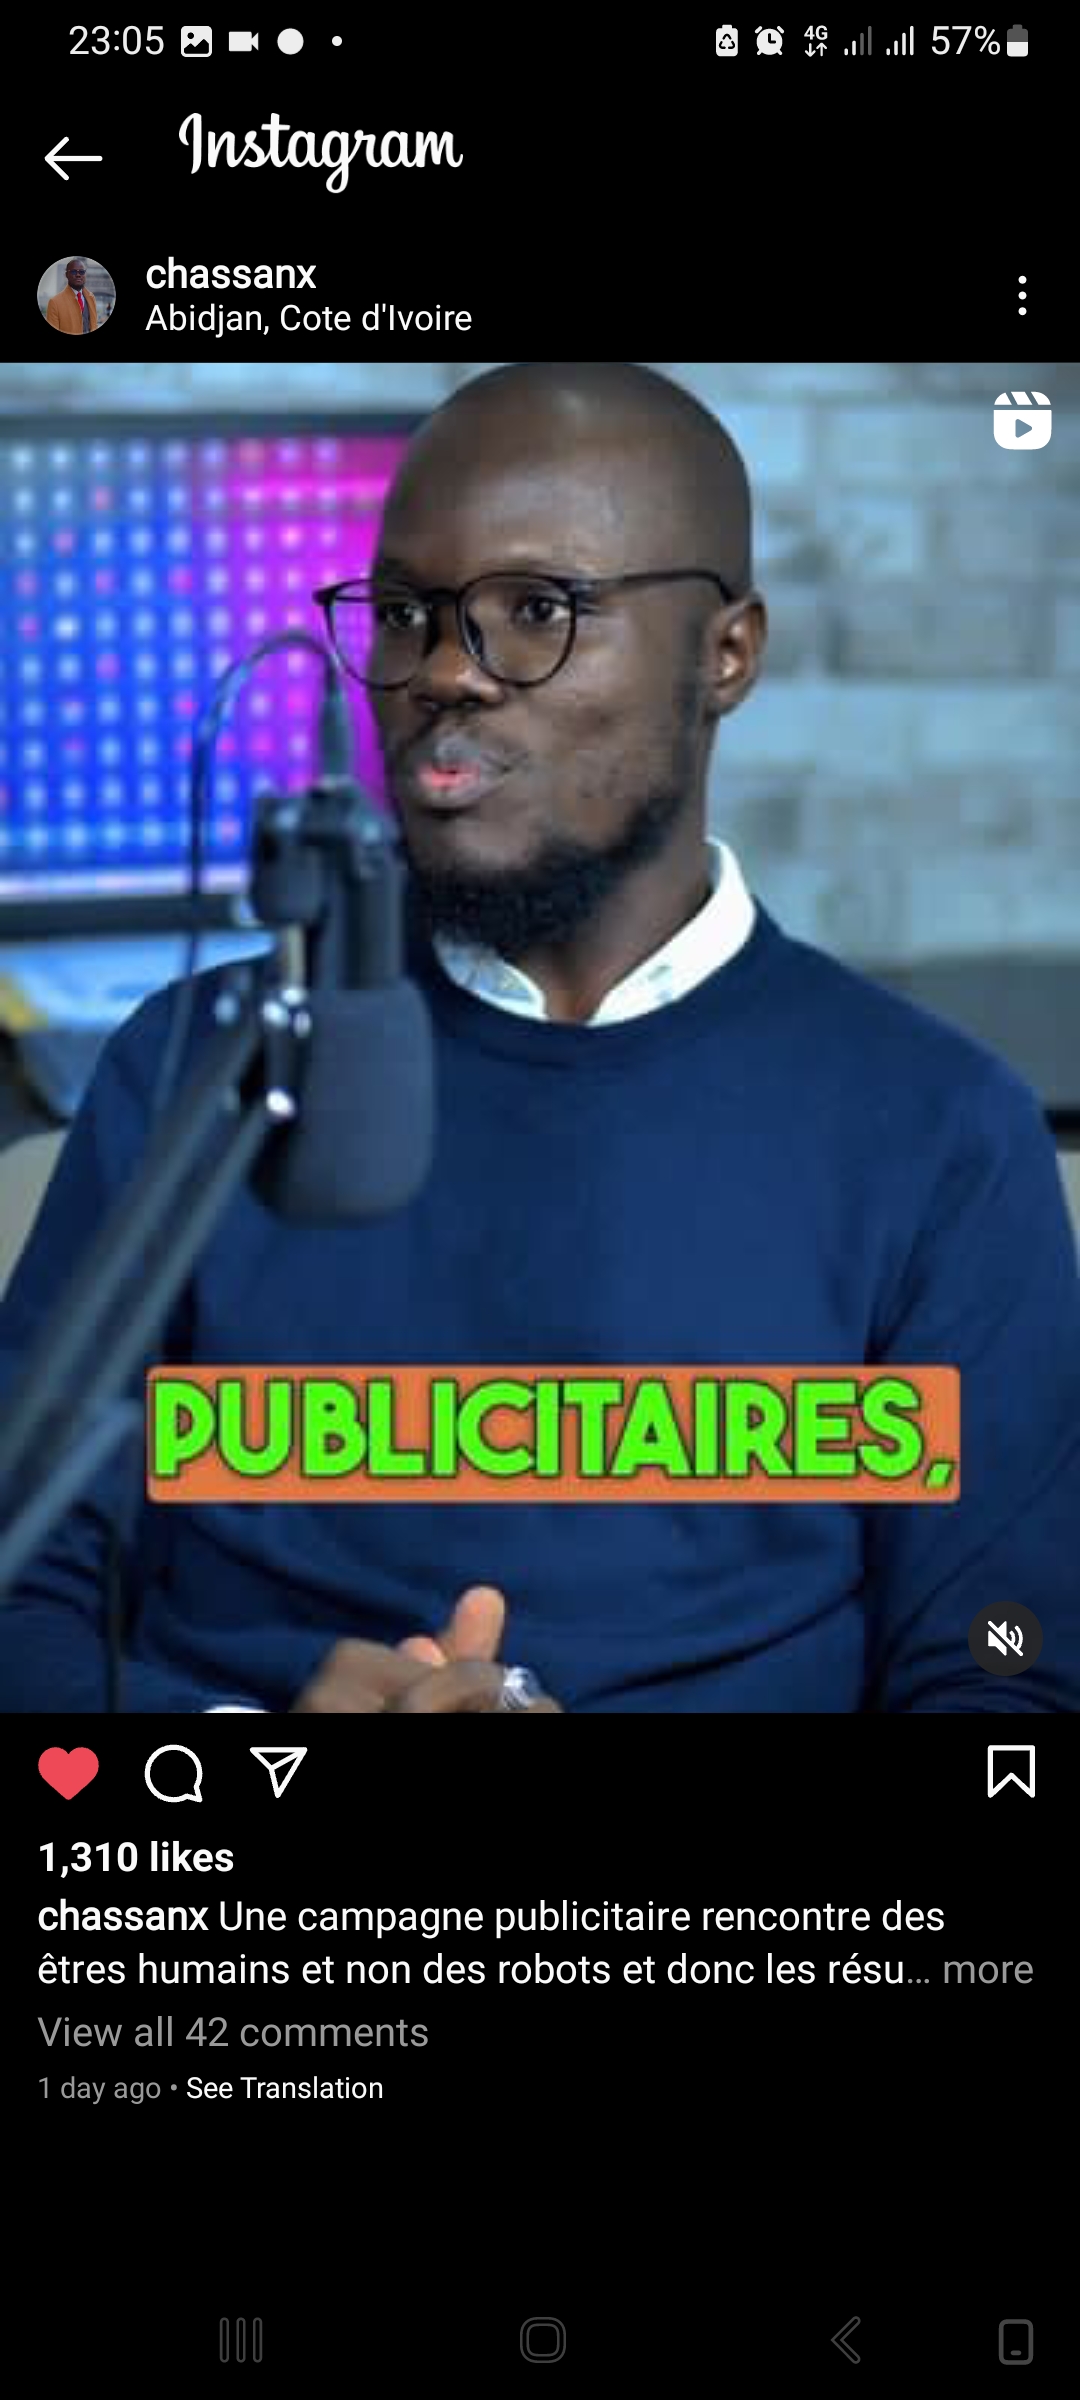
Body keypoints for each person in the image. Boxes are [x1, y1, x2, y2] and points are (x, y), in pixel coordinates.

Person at [1, 361, 1078, 1714]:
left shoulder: (937, 1133)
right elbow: (22, 1592)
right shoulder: (198, 1065)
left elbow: (1004, 1686)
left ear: (727, 656)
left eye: (538, 610)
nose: (447, 672)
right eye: (406, 614)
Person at [45, 258, 98, 336]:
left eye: (82, 272)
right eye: (73, 272)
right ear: (67, 275)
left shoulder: (91, 298)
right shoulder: (54, 302)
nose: (78, 275)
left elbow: (94, 325)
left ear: (85, 274)